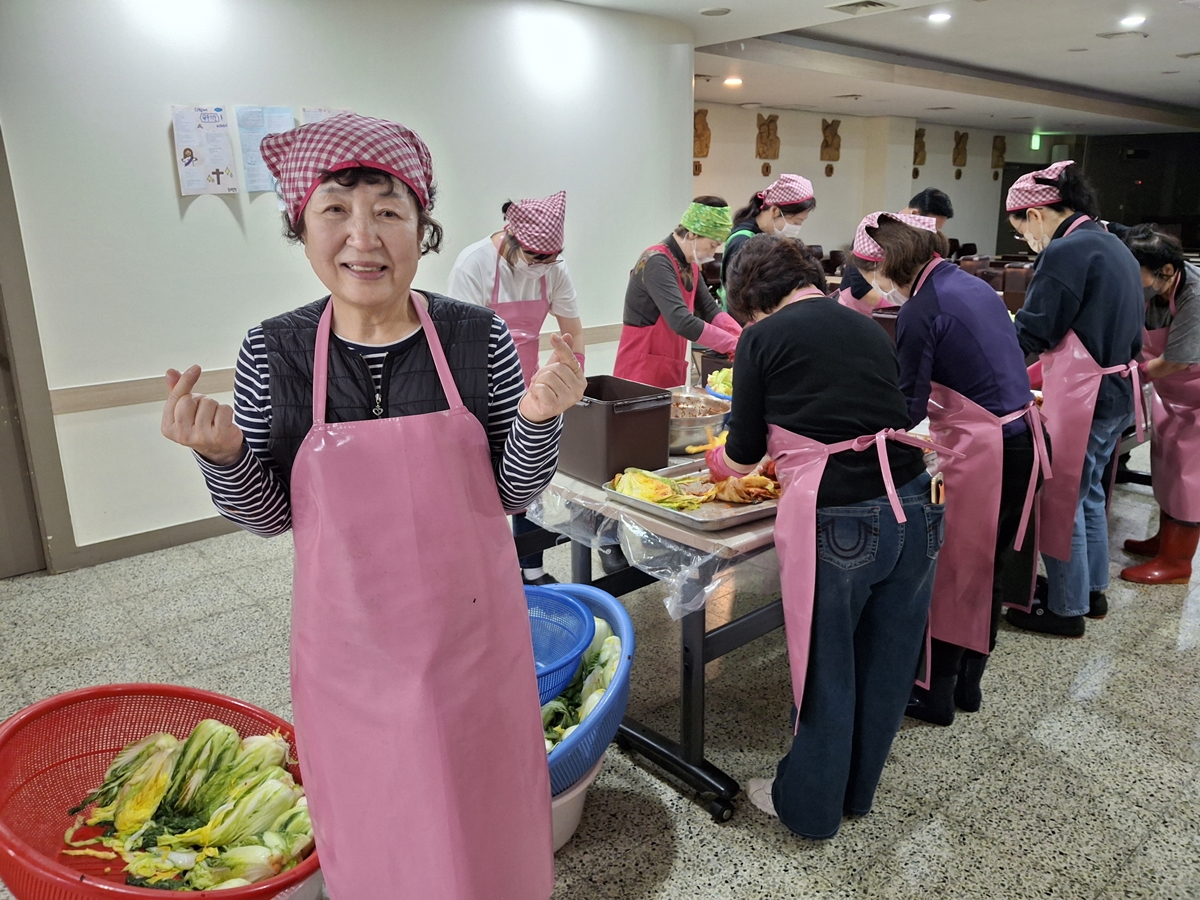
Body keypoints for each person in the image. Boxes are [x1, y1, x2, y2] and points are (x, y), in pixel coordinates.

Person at [160, 114, 584, 900]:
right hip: (348, 659)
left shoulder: (479, 340)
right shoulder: (273, 352)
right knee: (379, 829)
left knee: (485, 824)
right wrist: (222, 457)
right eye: (335, 210)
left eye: (389, 210)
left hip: (474, 649)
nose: (364, 236)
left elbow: (512, 494)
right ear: (302, 227)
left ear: (423, 229)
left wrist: (537, 421)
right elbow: (269, 516)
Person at [708, 233, 945, 839]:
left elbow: (742, 454)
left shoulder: (762, 337)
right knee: (885, 662)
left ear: (752, 300)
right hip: (915, 504)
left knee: (825, 666)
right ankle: (855, 793)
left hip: (842, 518)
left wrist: (719, 461)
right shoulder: (869, 327)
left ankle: (809, 808)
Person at [853, 212, 1048, 725]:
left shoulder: (923, 308)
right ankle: (968, 685)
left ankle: (935, 694)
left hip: (990, 451)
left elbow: (906, 407)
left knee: (956, 569)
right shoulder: (968, 282)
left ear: (886, 264)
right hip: (1023, 437)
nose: (873, 284)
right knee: (989, 566)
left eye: (871, 272)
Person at [1004, 160, 1143, 638]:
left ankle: (1066, 609)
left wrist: (992, 365)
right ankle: (1091, 590)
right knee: (1090, 493)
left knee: (1061, 499)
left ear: (1036, 214)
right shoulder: (1112, 243)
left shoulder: (1066, 250)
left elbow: (1035, 329)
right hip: (1118, 390)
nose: (1027, 239)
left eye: (1021, 229)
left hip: (1087, 394)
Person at [448, 191, 584, 585]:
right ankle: (484, 572)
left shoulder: (554, 268)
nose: (542, 267)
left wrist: (572, 377)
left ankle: (531, 569)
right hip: (478, 388)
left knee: (529, 484)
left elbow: (573, 331)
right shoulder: (474, 265)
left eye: (550, 259)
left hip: (530, 388)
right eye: (535, 258)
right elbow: (459, 345)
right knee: (480, 485)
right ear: (511, 238)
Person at [1119, 225, 1200, 584]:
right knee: (1166, 469)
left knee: (1188, 479)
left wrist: (1131, 375)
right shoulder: (1155, 288)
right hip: (1173, 395)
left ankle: (1178, 561)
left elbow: (1177, 361)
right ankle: (1164, 541)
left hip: (1195, 398)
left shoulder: (1195, 295)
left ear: (1166, 271)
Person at [612, 196, 742, 388]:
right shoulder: (656, 262)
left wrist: (741, 337)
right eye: (713, 245)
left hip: (667, 370)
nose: (712, 253)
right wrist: (731, 344)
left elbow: (709, 309)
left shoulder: (691, 267)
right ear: (693, 234)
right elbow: (681, 321)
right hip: (639, 373)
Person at [838, 188, 953, 316]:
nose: (933, 234)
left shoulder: (923, 241)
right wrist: (905, 306)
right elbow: (859, 289)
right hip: (859, 311)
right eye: (929, 227)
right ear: (915, 214)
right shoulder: (875, 232)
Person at [719, 174, 816, 289]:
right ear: (774, 211)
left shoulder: (769, 239)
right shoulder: (742, 240)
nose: (798, 227)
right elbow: (738, 290)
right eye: (796, 222)